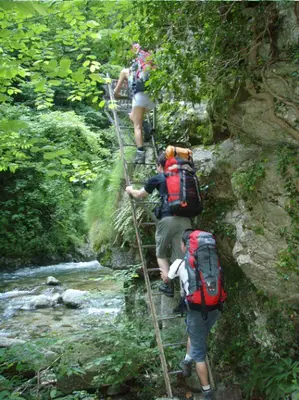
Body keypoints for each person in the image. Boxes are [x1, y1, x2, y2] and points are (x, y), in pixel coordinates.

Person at [162, 229, 220, 400]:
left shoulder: (180, 263)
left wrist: (164, 275)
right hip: (215, 308)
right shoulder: (212, 261)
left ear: (184, 245)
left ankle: (207, 391)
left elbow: (167, 278)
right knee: (195, 335)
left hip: (196, 310)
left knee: (200, 355)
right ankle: (187, 360)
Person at [125, 153, 192, 296]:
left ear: (160, 166)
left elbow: (138, 195)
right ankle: (185, 295)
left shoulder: (159, 177)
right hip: (186, 220)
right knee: (181, 257)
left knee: (160, 254)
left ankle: (168, 284)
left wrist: (130, 189)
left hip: (168, 219)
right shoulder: (184, 177)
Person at [114, 43, 155, 164]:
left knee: (136, 126)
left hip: (140, 96)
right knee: (133, 116)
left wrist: (121, 95)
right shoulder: (149, 63)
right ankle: (146, 125)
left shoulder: (126, 71)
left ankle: (140, 152)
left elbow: (116, 93)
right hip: (153, 97)